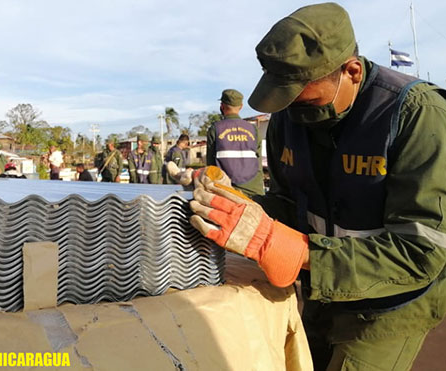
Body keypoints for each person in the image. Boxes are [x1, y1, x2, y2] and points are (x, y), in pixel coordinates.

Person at [181, 3, 446, 370]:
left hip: (390, 303)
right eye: (285, 102)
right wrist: (241, 203)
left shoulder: (416, 115)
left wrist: (297, 252)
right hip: (323, 293)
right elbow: (291, 204)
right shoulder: (288, 118)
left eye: (307, 101)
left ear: (351, 71)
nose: (295, 114)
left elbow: (421, 252)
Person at [206, 89, 264, 196]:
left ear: (222, 106)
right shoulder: (253, 129)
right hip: (254, 190)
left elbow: (210, 165)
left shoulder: (215, 129)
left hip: (225, 191)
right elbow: (258, 160)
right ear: (241, 107)